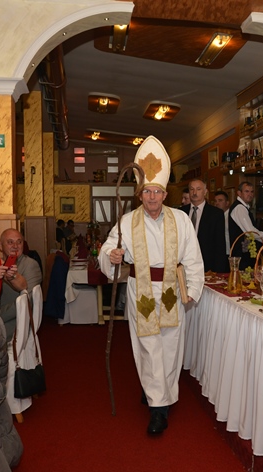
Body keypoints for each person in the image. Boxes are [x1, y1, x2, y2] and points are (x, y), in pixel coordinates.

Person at [99, 136, 204, 436]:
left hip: (171, 292)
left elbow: (193, 257)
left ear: (165, 194)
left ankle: (157, 392)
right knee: (148, 346)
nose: (152, 197)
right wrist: (112, 255)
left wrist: (192, 290)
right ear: (139, 194)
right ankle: (159, 408)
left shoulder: (181, 220)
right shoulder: (127, 221)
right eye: (147, 192)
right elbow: (107, 249)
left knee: (170, 346)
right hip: (140, 291)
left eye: (157, 192)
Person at [0, 228, 41, 341]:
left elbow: (26, 302)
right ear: (0, 246)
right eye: (10, 242)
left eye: (19, 242)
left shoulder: (30, 265)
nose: (15, 246)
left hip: (16, 323)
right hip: (0, 318)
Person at [180, 179, 228, 273]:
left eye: (198, 189)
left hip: (207, 266)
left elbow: (220, 245)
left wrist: (218, 271)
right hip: (184, 264)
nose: (194, 193)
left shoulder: (216, 214)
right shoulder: (181, 212)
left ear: (205, 192)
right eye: (192, 189)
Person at [228, 181, 263, 270]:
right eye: (246, 191)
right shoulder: (239, 208)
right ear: (239, 193)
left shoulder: (243, 207)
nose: (250, 194)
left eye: (252, 192)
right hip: (241, 255)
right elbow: (250, 232)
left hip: (244, 253)